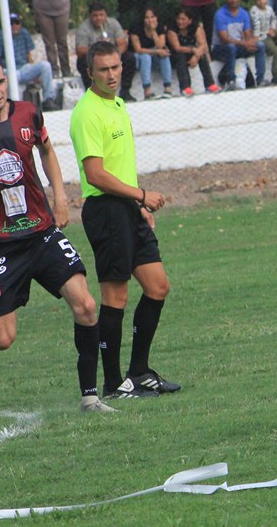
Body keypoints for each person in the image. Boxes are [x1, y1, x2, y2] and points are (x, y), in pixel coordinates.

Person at [0, 60, 115, 413]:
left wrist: (60, 195)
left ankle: (90, 397)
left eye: (0, 82)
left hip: (41, 233)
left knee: (87, 305)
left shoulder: (29, 113)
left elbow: (46, 151)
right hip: (1, 245)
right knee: (3, 339)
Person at [69, 40, 180, 400]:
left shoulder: (117, 104)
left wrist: (140, 206)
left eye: (116, 67)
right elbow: (96, 175)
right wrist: (142, 196)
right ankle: (114, 384)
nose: (112, 74)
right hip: (106, 210)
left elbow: (119, 166)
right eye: (104, 69)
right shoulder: (87, 113)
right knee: (115, 296)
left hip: (129, 207)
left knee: (158, 286)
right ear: (90, 73)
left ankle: (139, 371)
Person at [0, 14, 59, 112]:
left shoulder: (24, 33)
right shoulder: (0, 35)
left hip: (24, 68)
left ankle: (48, 100)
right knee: (12, 75)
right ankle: (14, 107)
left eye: (17, 23)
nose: (14, 26)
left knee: (45, 65)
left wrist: (35, 72)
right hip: (7, 70)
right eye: (11, 23)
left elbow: (29, 55)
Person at [74, 2, 137, 101]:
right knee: (83, 62)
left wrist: (117, 55)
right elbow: (80, 50)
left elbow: (122, 43)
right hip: (94, 58)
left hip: (112, 55)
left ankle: (125, 91)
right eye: (95, 15)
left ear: (106, 15)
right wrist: (97, 46)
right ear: (90, 16)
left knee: (129, 58)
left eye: (101, 15)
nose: (99, 18)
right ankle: (92, 94)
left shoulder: (113, 23)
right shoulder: (84, 28)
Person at [212, 0, 262, 90]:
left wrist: (249, 44)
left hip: (238, 46)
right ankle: (230, 80)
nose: (233, 0)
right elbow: (224, 39)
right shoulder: (220, 14)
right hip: (220, 48)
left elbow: (247, 35)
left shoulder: (244, 13)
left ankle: (260, 79)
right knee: (231, 47)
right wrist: (244, 44)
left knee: (260, 45)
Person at [167, 8, 221, 96]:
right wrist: (193, 50)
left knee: (202, 55)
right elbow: (177, 48)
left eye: (183, 19)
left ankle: (210, 84)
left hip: (191, 54)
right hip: (174, 56)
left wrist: (196, 56)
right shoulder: (172, 29)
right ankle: (185, 87)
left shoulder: (195, 28)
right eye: (178, 19)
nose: (180, 22)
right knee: (180, 56)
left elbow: (203, 45)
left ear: (190, 20)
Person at [129, 8, 174, 100]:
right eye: (147, 18)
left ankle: (168, 89)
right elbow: (138, 49)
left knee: (164, 55)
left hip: (154, 57)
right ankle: (147, 91)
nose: (150, 20)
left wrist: (153, 31)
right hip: (139, 57)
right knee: (146, 57)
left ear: (156, 18)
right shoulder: (136, 28)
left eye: (152, 17)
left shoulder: (160, 27)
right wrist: (156, 51)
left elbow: (161, 46)